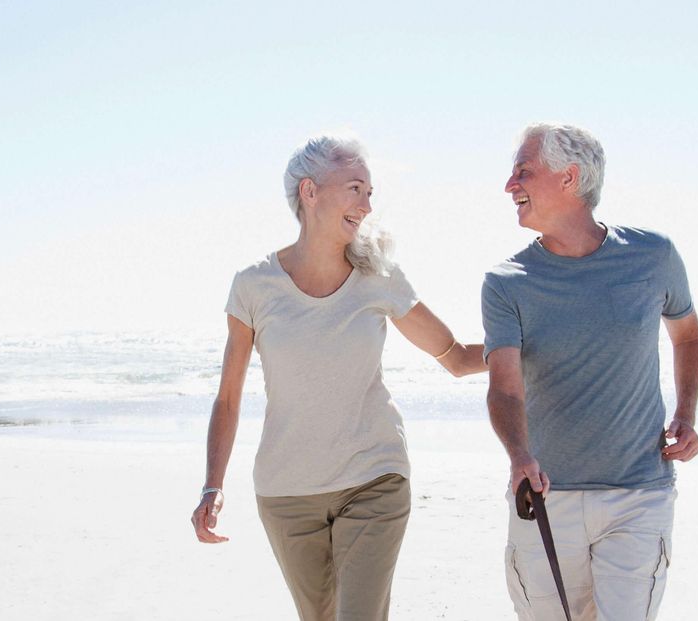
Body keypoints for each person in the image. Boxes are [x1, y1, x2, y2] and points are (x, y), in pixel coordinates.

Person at [190, 135, 487, 621]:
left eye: (369, 192)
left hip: (374, 477)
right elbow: (228, 398)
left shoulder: (380, 277)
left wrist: (527, 349)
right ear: (309, 192)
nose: (367, 206)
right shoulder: (253, 286)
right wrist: (211, 485)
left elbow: (453, 356)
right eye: (355, 189)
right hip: (287, 491)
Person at [482, 124, 698, 621]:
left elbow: (687, 335)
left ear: (570, 178)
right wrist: (519, 454)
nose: (509, 185)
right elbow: (505, 388)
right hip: (545, 495)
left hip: (639, 494)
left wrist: (686, 415)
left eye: (524, 171)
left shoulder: (653, 257)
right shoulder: (506, 282)